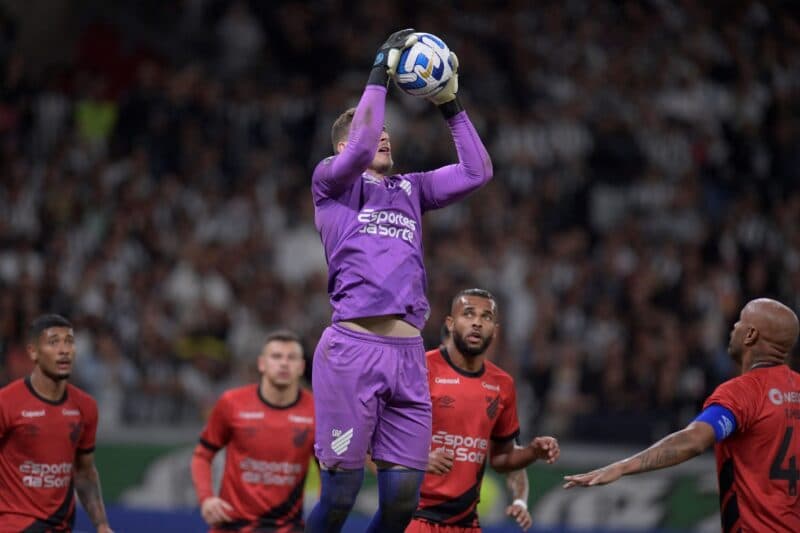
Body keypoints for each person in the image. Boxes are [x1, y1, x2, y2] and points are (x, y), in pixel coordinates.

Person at [306, 28, 493, 533]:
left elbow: (477, 172)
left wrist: (450, 104)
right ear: (342, 149)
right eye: (367, 135)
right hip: (353, 350)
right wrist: (381, 68)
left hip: (408, 359)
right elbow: (363, 139)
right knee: (341, 495)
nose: (380, 136)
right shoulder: (332, 183)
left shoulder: (411, 189)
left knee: (401, 502)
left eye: (386, 134)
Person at [563, 298, 800, 532]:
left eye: (740, 322)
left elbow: (695, 440)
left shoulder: (743, 392)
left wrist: (623, 467)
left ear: (750, 335)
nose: (734, 327)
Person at [408, 289, 559, 532]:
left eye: (486, 317)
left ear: (495, 330)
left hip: (467, 524)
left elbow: (502, 458)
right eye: (468, 314)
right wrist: (416, 459)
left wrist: (532, 451)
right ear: (450, 323)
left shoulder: (503, 384)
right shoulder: (419, 369)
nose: (477, 322)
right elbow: (377, 438)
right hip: (414, 518)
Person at [191, 330, 315, 532]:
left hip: (287, 528)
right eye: (276, 356)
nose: (284, 363)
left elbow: (329, 474)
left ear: (301, 367)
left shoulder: (316, 411)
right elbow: (202, 456)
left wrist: (322, 520)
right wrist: (206, 498)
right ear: (261, 364)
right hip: (231, 526)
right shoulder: (232, 403)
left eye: (291, 357)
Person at [0, 314, 113, 532]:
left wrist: (101, 525)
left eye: (69, 341)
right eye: (54, 342)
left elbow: (84, 472)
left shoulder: (85, 407)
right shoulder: (6, 403)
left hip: (60, 526)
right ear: (33, 352)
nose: (64, 350)